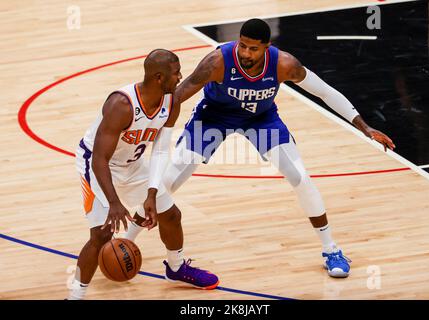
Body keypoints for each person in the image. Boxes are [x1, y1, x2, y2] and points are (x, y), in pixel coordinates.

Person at [126, 19, 396, 279]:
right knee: (169, 180)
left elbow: (325, 92)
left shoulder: (284, 64)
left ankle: (331, 250)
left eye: (253, 48)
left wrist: (365, 127)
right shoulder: (218, 61)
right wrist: (144, 125)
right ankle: (125, 243)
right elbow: (178, 95)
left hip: (261, 119)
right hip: (214, 117)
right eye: (242, 45)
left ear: (267, 47)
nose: (245, 52)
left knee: (299, 177)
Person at [68, 49, 219, 300]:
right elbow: (99, 160)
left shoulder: (171, 102)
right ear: (159, 77)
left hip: (133, 163)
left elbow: (160, 150)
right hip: (98, 164)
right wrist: (114, 203)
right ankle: (75, 295)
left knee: (170, 214)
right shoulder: (122, 105)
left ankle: (176, 267)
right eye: (175, 72)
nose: (180, 76)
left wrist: (151, 193)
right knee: (101, 234)